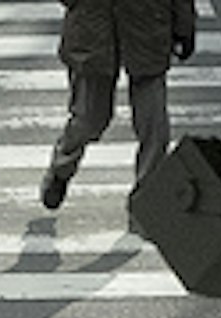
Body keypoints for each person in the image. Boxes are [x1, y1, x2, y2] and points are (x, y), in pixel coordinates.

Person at [41, 0, 199, 216]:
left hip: (148, 26)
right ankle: (61, 168)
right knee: (90, 120)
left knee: (154, 128)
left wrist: (184, 24)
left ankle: (146, 200)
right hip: (93, 29)